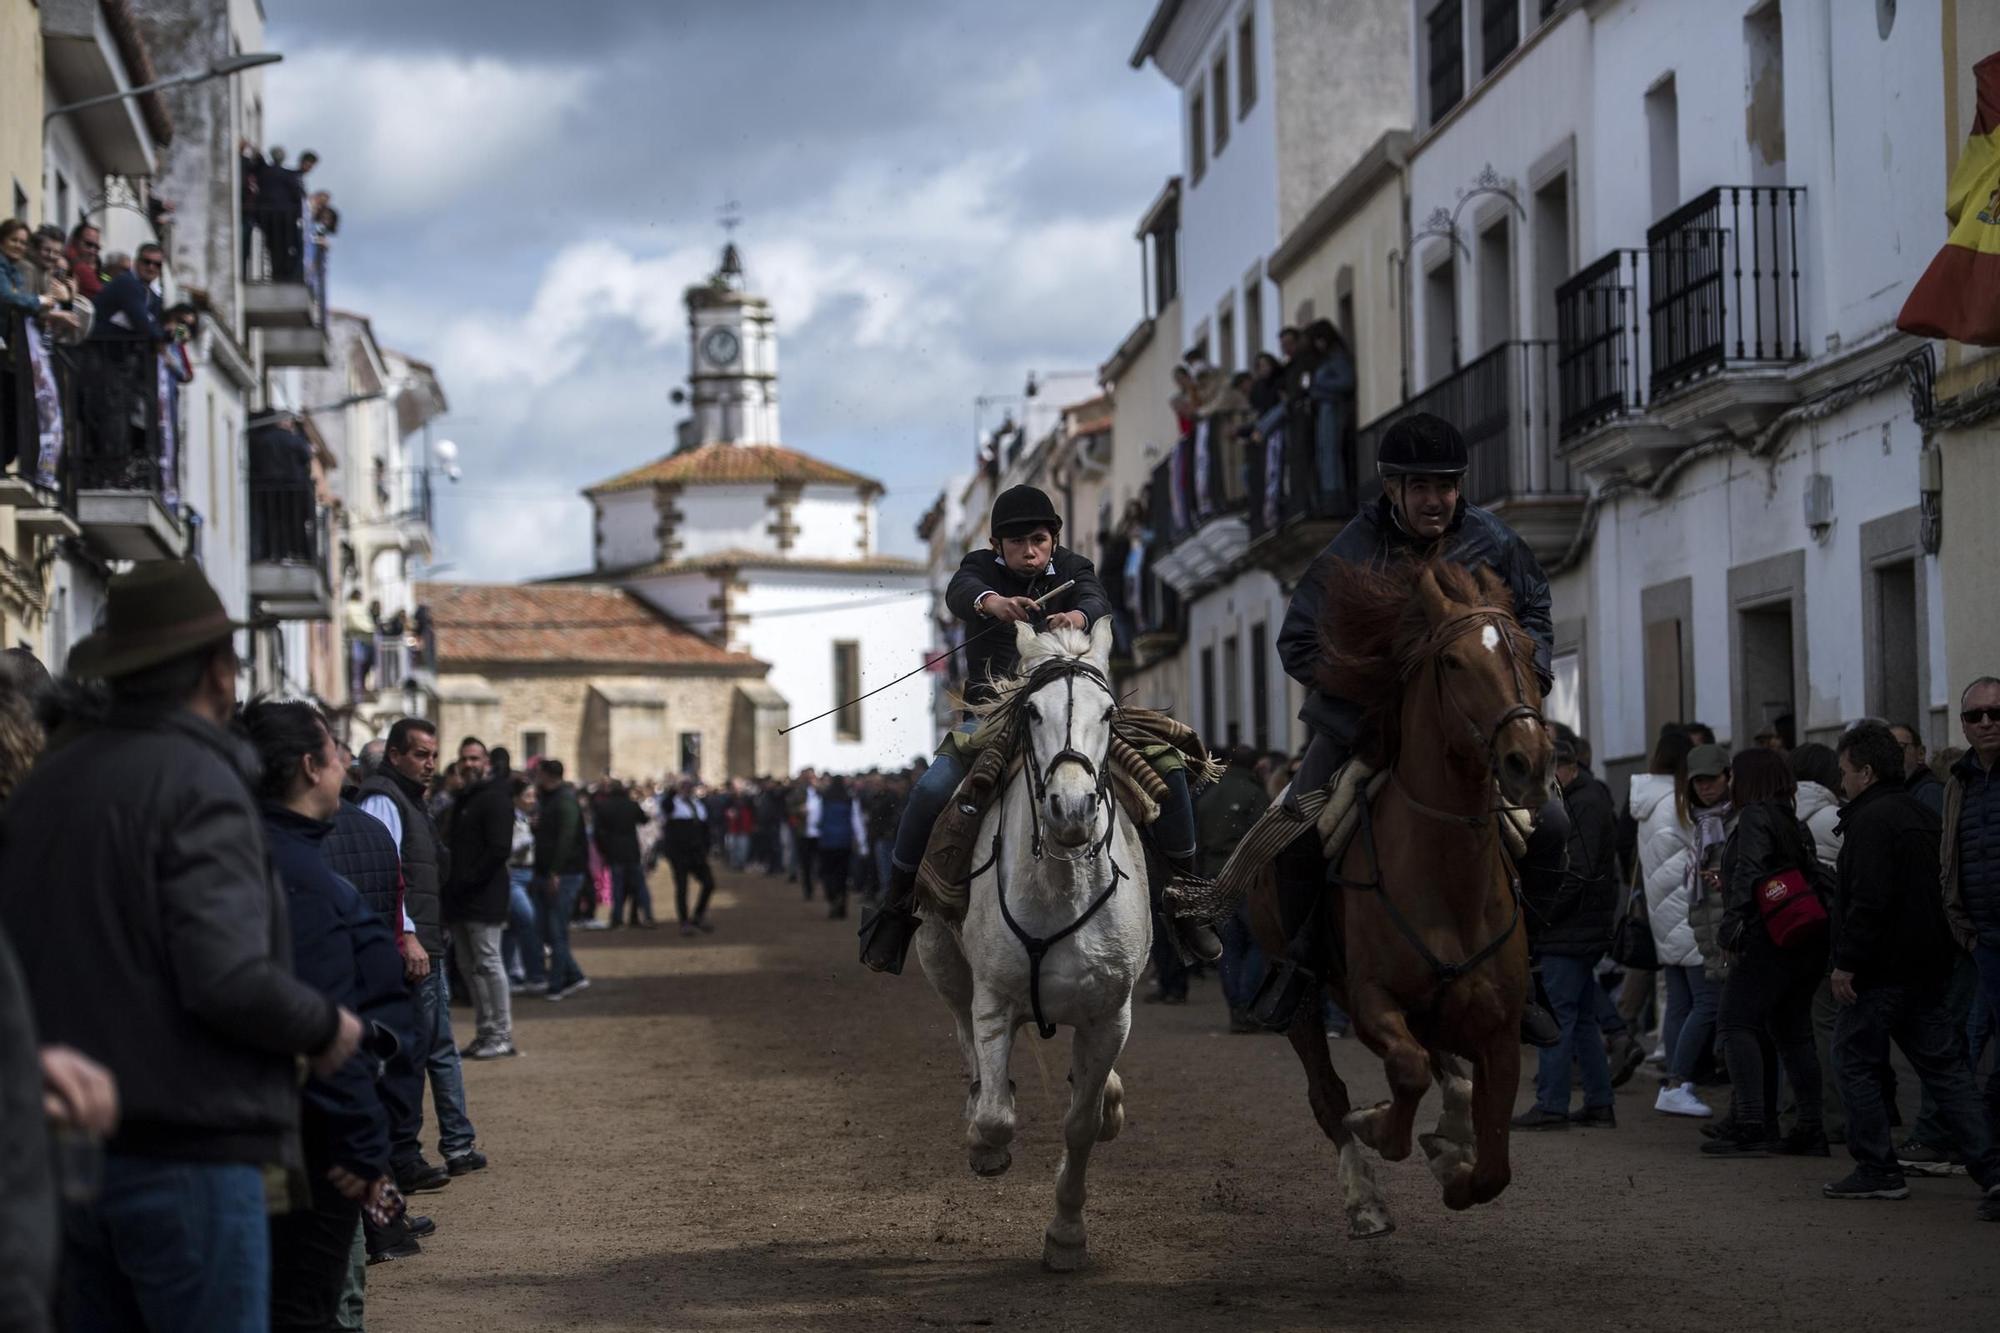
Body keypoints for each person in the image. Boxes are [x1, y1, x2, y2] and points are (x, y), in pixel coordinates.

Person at [0, 562, 363, 1332]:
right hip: (189, 1149)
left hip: (67, 1156)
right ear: (218, 670)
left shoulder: (46, 783)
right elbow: (226, 974)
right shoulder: (199, 781)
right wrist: (325, 1026)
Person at [1266, 412, 1558, 1042]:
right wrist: (1373, 686)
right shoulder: (1348, 550)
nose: (1435, 500)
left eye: (1446, 486)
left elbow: (1533, 608)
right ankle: (1305, 967)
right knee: (1293, 836)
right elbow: (1296, 643)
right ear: (1392, 489)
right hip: (1363, 731)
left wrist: (1522, 679)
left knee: (1554, 828)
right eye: (1420, 487)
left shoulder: (1496, 541)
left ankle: (1530, 977)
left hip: (1471, 733)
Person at [861, 483, 1217, 974]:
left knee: (1170, 770)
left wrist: (1078, 613)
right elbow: (960, 592)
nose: (1029, 552)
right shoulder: (978, 570)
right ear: (997, 546)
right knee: (928, 791)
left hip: (1075, 712)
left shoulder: (1075, 569)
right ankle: (896, 909)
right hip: (992, 714)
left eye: (1039, 540)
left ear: (1053, 539)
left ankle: (1186, 902)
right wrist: (993, 603)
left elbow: (1094, 596)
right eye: (1016, 543)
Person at [243, 699, 411, 1331]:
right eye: (336, 749)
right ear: (312, 767)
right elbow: (321, 1021)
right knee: (305, 1309)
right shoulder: (289, 875)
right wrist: (365, 1145)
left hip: (306, 1130)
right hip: (311, 1140)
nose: (346, 759)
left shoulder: (287, 856)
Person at [1826, 720, 2000, 1213]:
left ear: (1864, 771)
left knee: (1854, 1061)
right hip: (1925, 967)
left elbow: (1868, 901)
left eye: (1844, 771)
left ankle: (1877, 1168)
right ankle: (1990, 1167)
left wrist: (1847, 963)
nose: (1842, 781)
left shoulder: (1871, 820)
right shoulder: (1918, 812)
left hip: (1881, 971)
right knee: (1945, 1070)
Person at [359, 719, 485, 1184]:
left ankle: (452, 1142)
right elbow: (386, 874)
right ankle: (406, 1155)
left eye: (433, 755)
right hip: (412, 946)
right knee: (412, 1054)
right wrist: (408, 934)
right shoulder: (383, 799)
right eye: (420, 755)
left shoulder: (411, 799)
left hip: (428, 939)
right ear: (395, 755)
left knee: (435, 1048)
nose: (430, 764)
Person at [1702, 748, 1829, 1157]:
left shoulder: (1756, 816)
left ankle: (1753, 1122)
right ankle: (1808, 1126)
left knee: (1735, 1022)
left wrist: (1732, 922)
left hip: (1766, 938)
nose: (1732, 784)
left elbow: (1752, 871)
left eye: (1736, 776)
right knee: (1792, 1032)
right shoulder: (1788, 817)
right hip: (1801, 938)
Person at [1514, 735, 1622, 1130]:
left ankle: (1552, 1104)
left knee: (1558, 1017)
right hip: (1579, 926)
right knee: (1582, 1018)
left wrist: (1538, 914)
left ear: (1567, 767)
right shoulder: (1585, 798)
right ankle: (1598, 1102)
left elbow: (1577, 871)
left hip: (1570, 928)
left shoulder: (1584, 803)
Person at [1941, 676, 2000, 1176]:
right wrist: (1961, 923)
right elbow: (1952, 853)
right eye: (1975, 716)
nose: (1985, 723)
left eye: (1995, 714)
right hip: (1983, 937)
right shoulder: (1959, 780)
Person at [1792, 742, 1854, 1145]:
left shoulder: (1783, 810)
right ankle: (1837, 1117)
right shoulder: (1834, 816)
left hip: (1796, 930)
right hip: (1832, 931)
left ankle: (1801, 1114)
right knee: (1831, 1026)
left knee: (1799, 1029)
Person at [447, 739, 519, 1058]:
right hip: (460, 897)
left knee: (489, 962)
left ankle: (501, 1032)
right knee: (468, 966)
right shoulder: (464, 799)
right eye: (464, 759)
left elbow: (499, 849)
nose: (469, 764)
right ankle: (485, 1030)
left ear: (486, 762)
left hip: (484, 896)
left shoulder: (495, 798)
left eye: (475, 758)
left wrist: (469, 878)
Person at [1200, 745, 1274, 1033]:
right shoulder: (1254, 793)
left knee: (1228, 946)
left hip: (1214, 876)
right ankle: (1247, 1003)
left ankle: (1235, 1009)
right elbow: (1264, 836)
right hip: (1247, 878)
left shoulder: (1208, 795)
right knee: (1258, 942)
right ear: (1256, 766)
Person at [533, 759, 591, 998]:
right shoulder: (552, 799)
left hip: (565, 874)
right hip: (556, 872)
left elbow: (566, 838)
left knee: (556, 929)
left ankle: (558, 983)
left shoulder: (564, 800)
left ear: (546, 775)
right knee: (550, 929)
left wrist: (555, 871)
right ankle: (574, 975)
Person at [502, 776, 545, 991]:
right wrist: (526, 842)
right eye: (527, 796)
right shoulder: (508, 819)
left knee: (513, 929)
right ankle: (535, 974)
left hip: (526, 875)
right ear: (516, 798)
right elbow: (505, 847)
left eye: (533, 796)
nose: (532, 800)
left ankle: (509, 974)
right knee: (528, 923)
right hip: (514, 877)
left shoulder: (525, 818)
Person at [593, 779, 652, 928]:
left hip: (614, 851)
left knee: (617, 887)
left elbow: (597, 833)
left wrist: (603, 850)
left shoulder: (604, 807)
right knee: (640, 886)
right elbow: (644, 819)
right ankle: (648, 915)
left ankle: (617, 918)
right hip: (632, 850)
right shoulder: (631, 805)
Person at [664, 777, 719, 934]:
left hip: (697, 852)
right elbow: (666, 807)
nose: (687, 789)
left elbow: (705, 829)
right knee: (682, 888)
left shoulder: (698, 804)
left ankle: (698, 916)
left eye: (689, 787)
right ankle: (684, 922)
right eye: (683, 787)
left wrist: (706, 848)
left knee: (709, 883)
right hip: (679, 853)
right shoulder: (673, 803)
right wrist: (671, 790)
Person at [817, 776, 865, 920]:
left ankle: (832, 899)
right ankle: (842, 907)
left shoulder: (824, 798)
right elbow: (856, 822)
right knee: (842, 876)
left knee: (828, 874)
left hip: (827, 842)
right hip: (844, 843)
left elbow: (818, 819)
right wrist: (861, 843)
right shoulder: (850, 799)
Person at [1893, 722, 1945, 816]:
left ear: (1920, 753)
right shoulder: (1899, 791)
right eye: (1887, 750)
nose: (1892, 756)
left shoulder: (1930, 792)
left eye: (1899, 748)